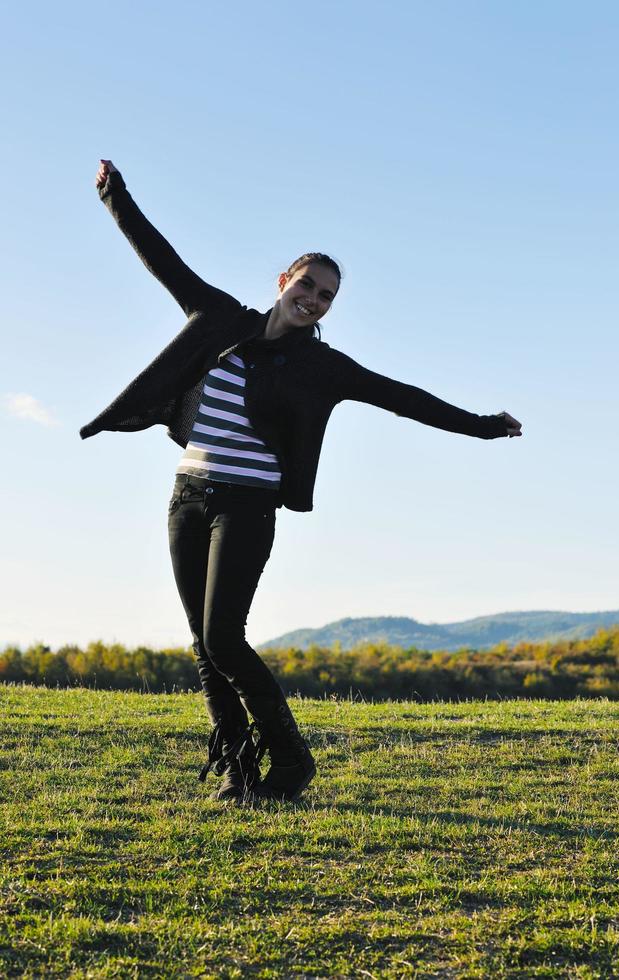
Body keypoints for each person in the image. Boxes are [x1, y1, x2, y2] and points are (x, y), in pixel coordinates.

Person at [81, 159, 522, 804]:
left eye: (326, 296)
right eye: (307, 285)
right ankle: (239, 773)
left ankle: (289, 759)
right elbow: (161, 258)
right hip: (188, 497)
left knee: (224, 637)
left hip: (248, 504)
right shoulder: (221, 319)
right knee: (205, 647)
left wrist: (482, 426)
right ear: (283, 281)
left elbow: (404, 397)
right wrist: (114, 196)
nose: (313, 299)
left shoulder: (323, 366)